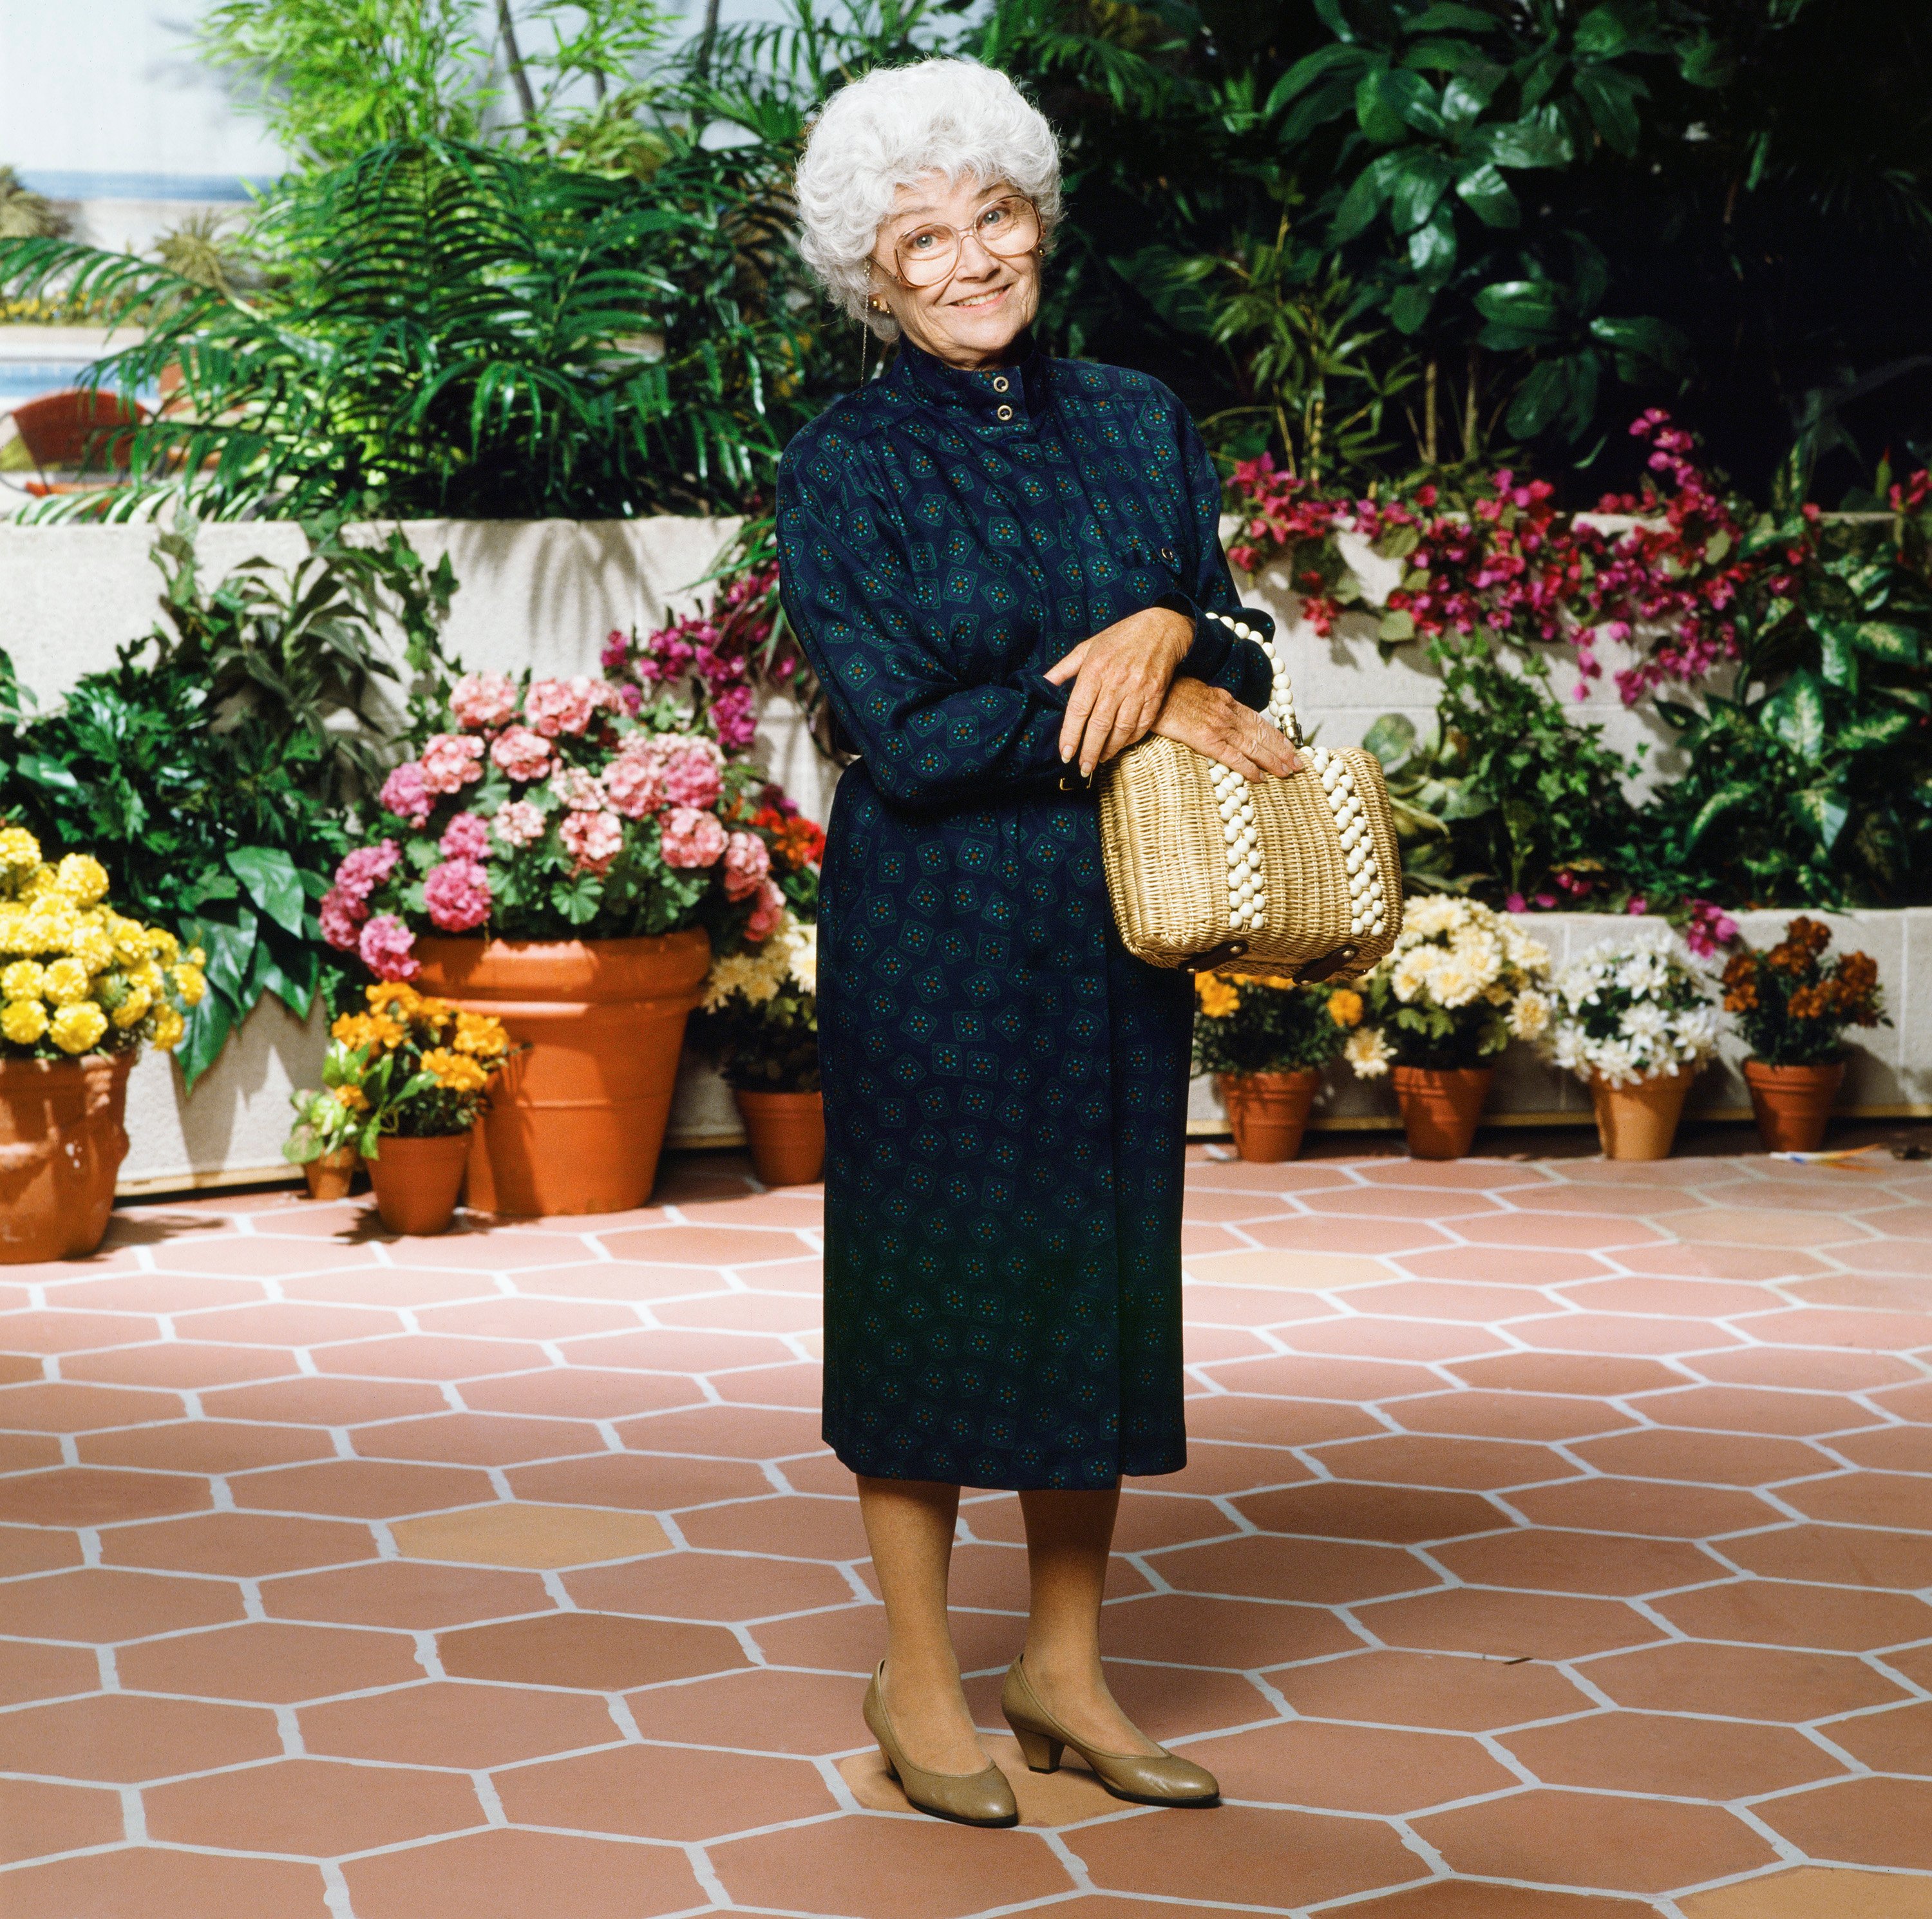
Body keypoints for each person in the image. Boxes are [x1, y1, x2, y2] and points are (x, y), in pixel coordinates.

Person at [776, 56, 1296, 1828]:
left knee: (1095, 1284)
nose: (971, 257)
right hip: (932, 936)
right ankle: (920, 1673)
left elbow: (1244, 640)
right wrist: (1139, 700)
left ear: (1038, 216)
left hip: (1113, 930)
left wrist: (1173, 625)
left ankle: (1062, 1669)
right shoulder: (844, 464)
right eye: (922, 238)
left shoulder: (1142, 417)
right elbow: (910, 736)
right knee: (927, 1290)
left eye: (992, 213)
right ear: (876, 277)